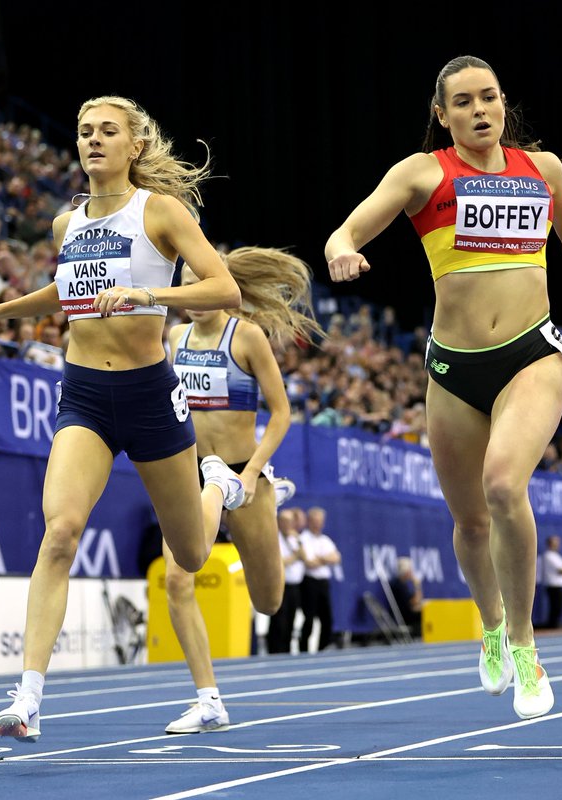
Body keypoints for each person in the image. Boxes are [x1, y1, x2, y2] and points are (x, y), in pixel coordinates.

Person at [0, 95, 243, 744]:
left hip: (149, 395)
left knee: (189, 553)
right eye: (83, 132)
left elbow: (225, 289)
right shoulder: (66, 224)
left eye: (107, 131)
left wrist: (149, 294)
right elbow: (65, 292)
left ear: (135, 145)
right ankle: (28, 698)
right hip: (83, 396)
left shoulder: (160, 211)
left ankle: (218, 482)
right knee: (61, 531)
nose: (92, 140)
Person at [324, 55, 562, 719]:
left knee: (504, 485)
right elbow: (351, 226)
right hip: (453, 368)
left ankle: (529, 648)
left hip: (533, 353)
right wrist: (341, 248)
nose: (481, 111)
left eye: (491, 98)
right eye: (465, 102)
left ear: (504, 104)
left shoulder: (544, 169)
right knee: (470, 521)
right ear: (442, 114)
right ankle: (493, 629)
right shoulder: (422, 174)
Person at [160, 247, 319, 733]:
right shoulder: (174, 337)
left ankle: (272, 489)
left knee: (269, 601)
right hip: (192, 474)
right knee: (178, 578)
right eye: (189, 287)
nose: (196, 297)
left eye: (205, 284)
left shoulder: (246, 337)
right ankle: (208, 700)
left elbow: (282, 412)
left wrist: (252, 473)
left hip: (242, 474)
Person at [298, 506, 341, 652]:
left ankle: (324, 647)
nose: (317, 524)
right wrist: (326, 559)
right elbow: (309, 562)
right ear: (309, 521)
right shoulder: (303, 538)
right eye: (314, 521)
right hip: (309, 582)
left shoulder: (325, 539)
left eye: (320, 521)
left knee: (327, 618)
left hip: (323, 582)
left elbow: (336, 557)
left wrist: (321, 559)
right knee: (309, 618)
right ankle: (303, 648)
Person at [266, 508, 306, 655]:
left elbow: (305, 558)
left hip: (295, 586)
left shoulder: (294, 538)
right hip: (280, 584)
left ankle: (287, 650)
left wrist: (297, 543)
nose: (288, 524)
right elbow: (279, 562)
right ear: (279, 522)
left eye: (290, 521)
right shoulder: (274, 538)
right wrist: (296, 557)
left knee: (291, 619)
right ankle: (275, 650)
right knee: (279, 620)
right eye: (285, 521)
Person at [540, 535, 562, 629]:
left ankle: (554, 625)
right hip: (553, 586)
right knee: (555, 607)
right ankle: (552, 626)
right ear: (550, 544)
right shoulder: (548, 555)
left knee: (558, 608)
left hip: (558, 586)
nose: (558, 544)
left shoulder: (556, 556)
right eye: (555, 542)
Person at [389, 556, 424, 636]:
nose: (412, 572)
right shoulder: (399, 585)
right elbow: (415, 601)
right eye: (410, 569)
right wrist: (417, 586)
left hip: (405, 614)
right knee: (426, 614)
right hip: (403, 617)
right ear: (406, 571)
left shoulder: (401, 584)